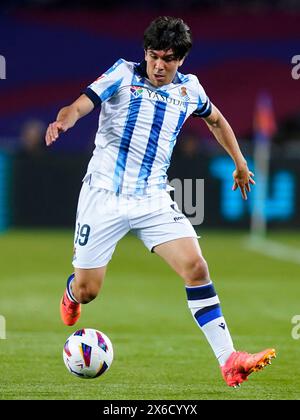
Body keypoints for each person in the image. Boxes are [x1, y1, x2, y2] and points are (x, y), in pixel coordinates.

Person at [45, 16, 275, 387]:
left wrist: (240, 162)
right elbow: (80, 105)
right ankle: (73, 293)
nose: (158, 65)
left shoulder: (190, 90)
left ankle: (229, 360)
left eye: (168, 59)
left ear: (181, 60)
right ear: (145, 53)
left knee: (196, 267)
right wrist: (64, 120)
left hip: (152, 198)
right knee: (89, 291)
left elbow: (216, 121)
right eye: (153, 56)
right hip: (103, 196)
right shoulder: (121, 73)